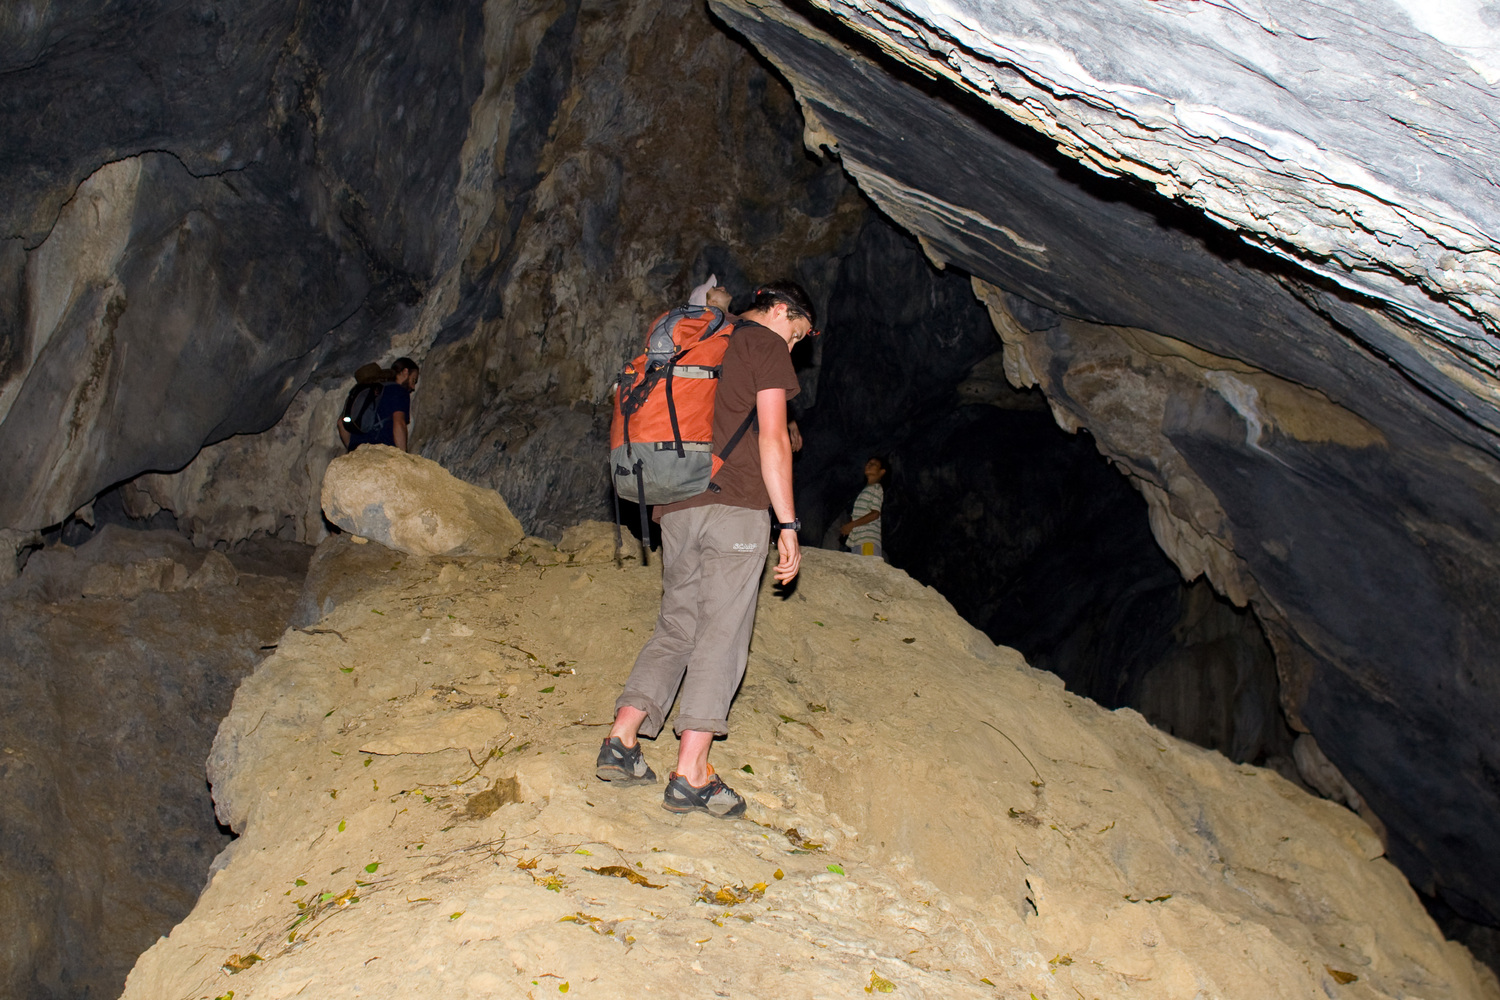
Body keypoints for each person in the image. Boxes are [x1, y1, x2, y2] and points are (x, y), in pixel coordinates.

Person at [597, 280, 817, 817]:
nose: (793, 348)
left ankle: (622, 740)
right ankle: (692, 770)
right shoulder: (762, 345)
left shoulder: (703, 340)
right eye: (797, 334)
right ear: (782, 311)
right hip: (735, 508)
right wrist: (787, 523)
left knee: (677, 624)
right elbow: (770, 439)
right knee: (722, 631)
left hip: (677, 506)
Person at [341, 357, 420, 452]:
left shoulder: (365, 392)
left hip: (358, 451)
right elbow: (399, 423)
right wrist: (403, 455)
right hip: (381, 450)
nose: (413, 387)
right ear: (405, 372)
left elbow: (340, 423)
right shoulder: (398, 391)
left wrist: (353, 449)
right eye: (413, 380)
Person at [840, 457, 887, 558]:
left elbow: (875, 514)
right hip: (858, 540)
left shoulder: (877, 488)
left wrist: (851, 525)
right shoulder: (866, 490)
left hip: (868, 540)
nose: (869, 465)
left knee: (869, 571)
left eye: (874, 464)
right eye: (868, 463)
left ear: (882, 472)